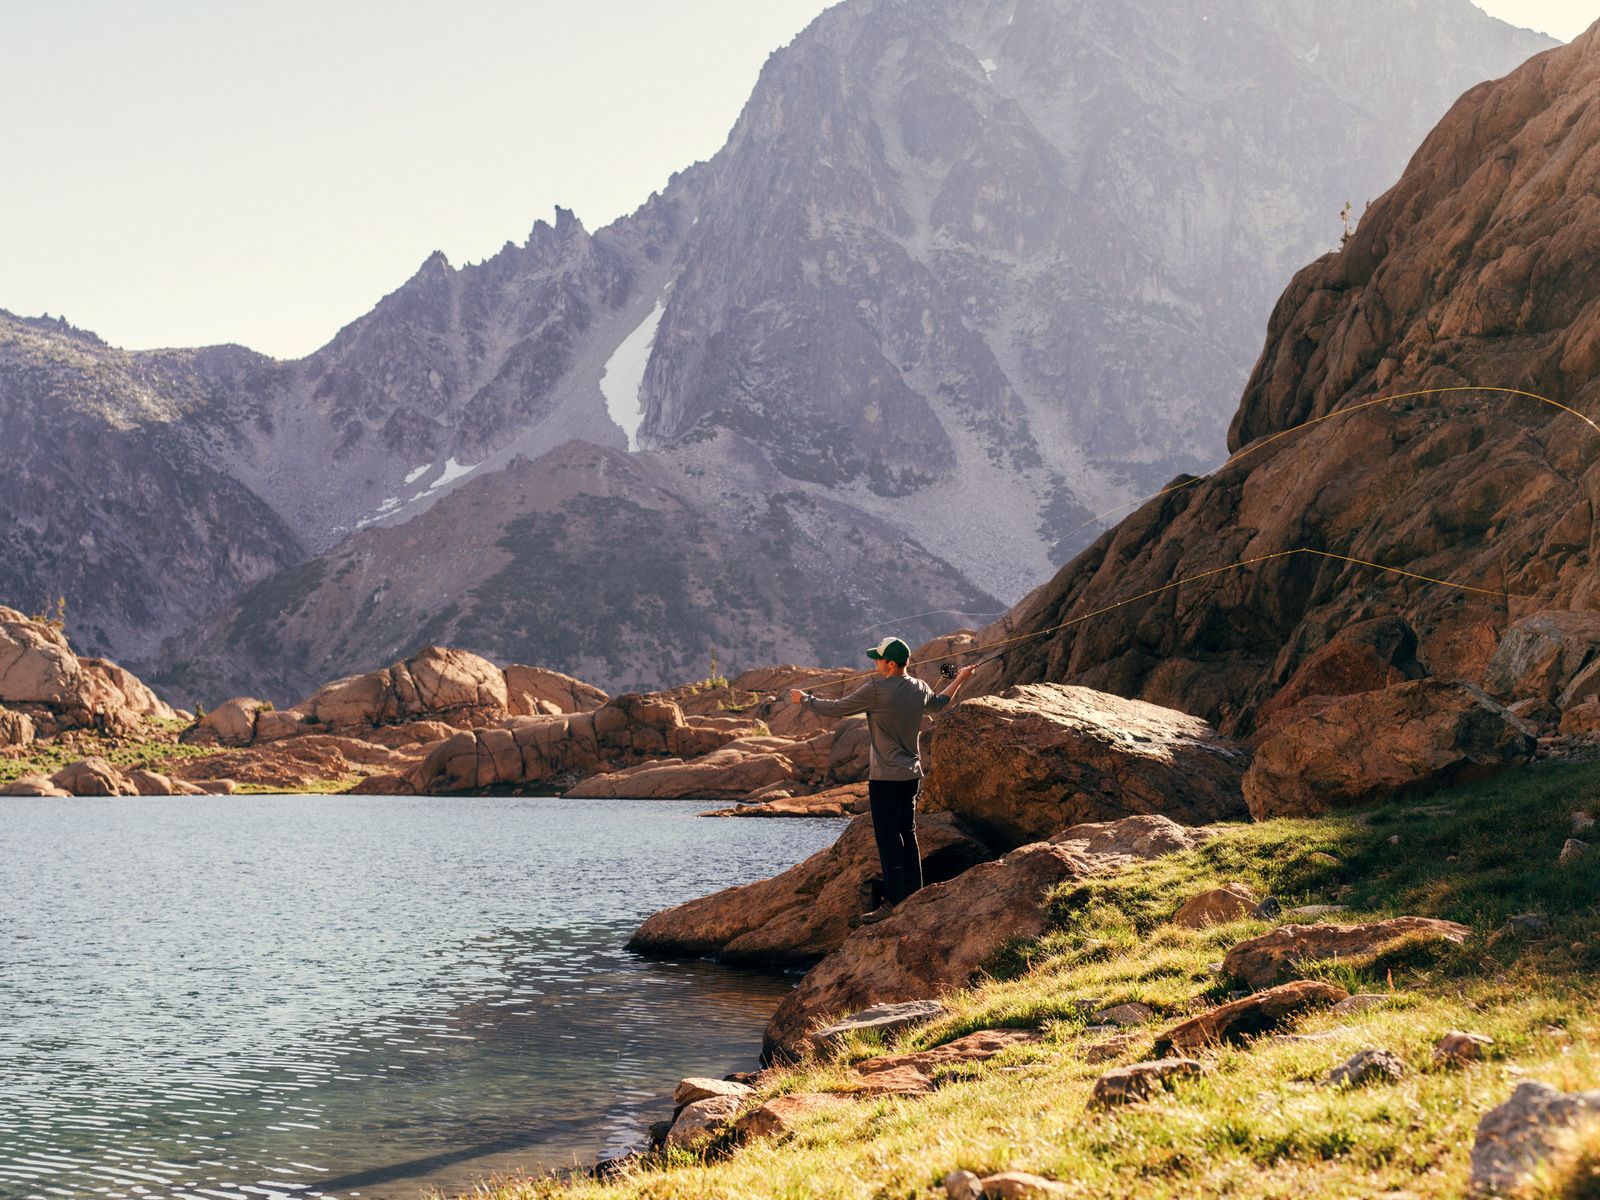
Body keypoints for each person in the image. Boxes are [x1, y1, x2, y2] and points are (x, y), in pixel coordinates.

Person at [791, 637, 977, 925]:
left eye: (878, 659)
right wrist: (962, 678)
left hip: (885, 779)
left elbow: (837, 708)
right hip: (912, 776)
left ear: (890, 663)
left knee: (889, 840)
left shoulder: (876, 689)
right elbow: (939, 705)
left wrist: (805, 699)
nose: (875, 663)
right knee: (908, 834)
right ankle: (914, 894)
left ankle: (892, 902)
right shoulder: (919, 686)